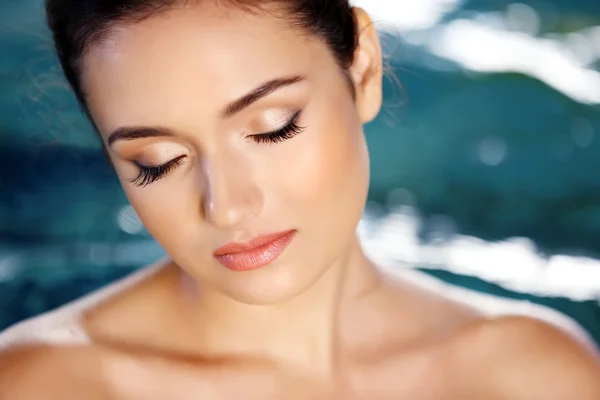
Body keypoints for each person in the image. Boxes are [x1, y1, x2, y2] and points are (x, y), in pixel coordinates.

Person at [0, 0, 599, 398]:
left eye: (273, 127)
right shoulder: (41, 383)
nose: (226, 207)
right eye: (156, 162)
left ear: (361, 69)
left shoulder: (531, 376)